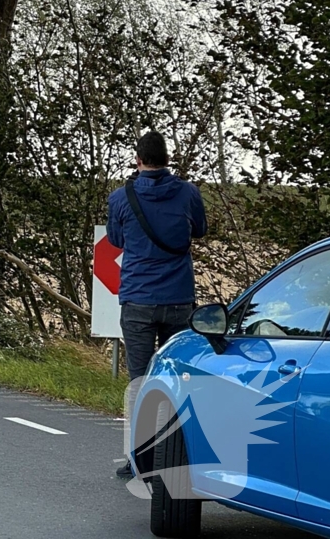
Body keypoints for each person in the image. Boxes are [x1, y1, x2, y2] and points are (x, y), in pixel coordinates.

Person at [107, 130, 207, 478]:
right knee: (178, 378)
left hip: (137, 298)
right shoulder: (188, 192)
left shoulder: (121, 197)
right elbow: (201, 230)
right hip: (179, 297)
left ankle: (139, 461)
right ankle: (177, 456)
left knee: (140, 379)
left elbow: (116, 240)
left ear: (138, 160)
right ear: (167, 159)